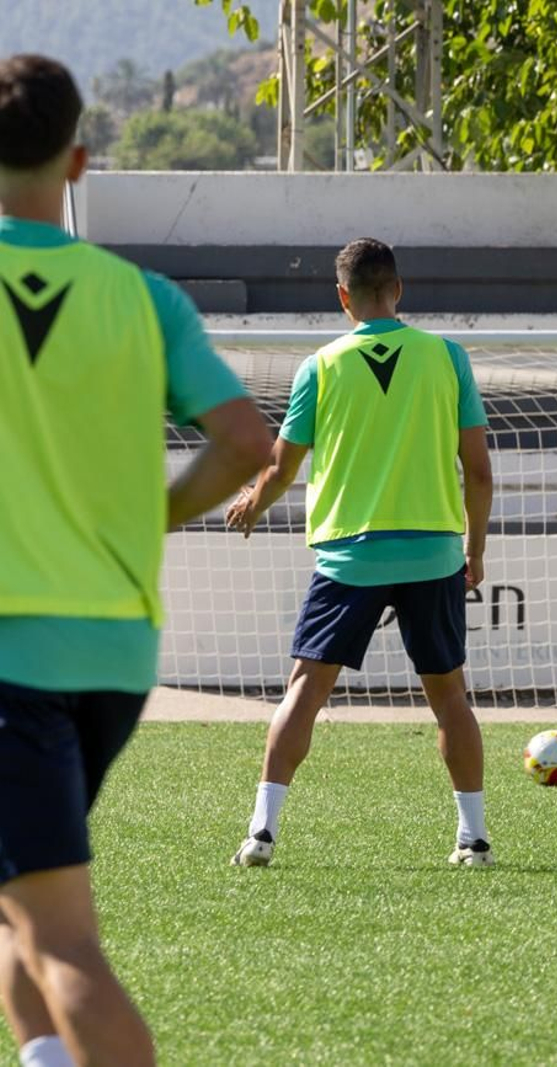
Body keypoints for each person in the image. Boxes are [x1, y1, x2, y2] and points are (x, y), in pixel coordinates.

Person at [0, 54, 271, 1067]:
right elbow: (247, 442)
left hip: (10, 657)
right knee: (23, 901)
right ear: (77, 159)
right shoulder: (141, 296)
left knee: (63, 934)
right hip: (114, 648)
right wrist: (152, 514)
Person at [225, 237, 497, 869]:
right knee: (450, 696)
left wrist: (251, 503)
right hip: (432, 552)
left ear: (342, 297)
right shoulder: (446, 356)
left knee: (305, 690)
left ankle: (261, 834)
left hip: (350, 556)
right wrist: (473, 551)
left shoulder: (319, 366)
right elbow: (478, 473)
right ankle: (474, 840)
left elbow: (280, 469)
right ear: (397, 289)